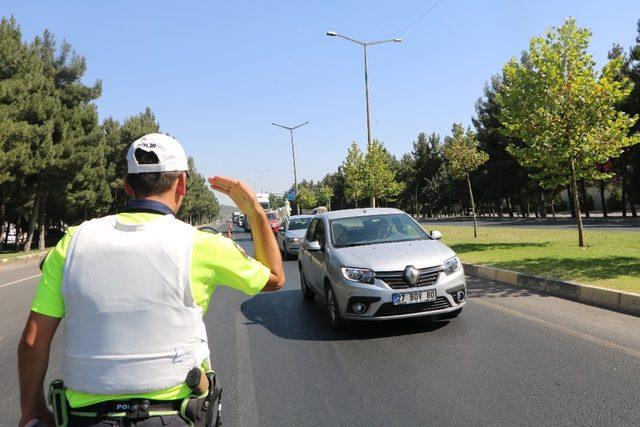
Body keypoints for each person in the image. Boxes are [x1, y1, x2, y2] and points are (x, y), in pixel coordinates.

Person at [17, 133, 285, 426]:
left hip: (85, 418)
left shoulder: (73, 242)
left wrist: (32, 410)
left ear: (127, 186)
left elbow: (33, 341)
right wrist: (255, 211)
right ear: (182, 184)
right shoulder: (201, 244)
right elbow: (274, 278)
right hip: (173, 415)